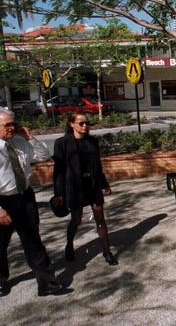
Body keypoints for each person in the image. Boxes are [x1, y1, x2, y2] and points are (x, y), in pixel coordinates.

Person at [0, 108, 67, 297]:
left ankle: (45, 282)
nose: (12, 128)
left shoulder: (20, 142)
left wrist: (30, 138)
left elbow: (42, 156)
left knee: (33, 241)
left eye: (14, 124)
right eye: (7, 125)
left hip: (25, 198)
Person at [53, 113, 117, 266]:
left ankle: (107, 251)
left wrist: (104, 183)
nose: (85, 126)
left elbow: (98, 165)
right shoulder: (62, 143)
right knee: (76, 220)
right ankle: (69, 245)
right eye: (81, 123)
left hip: (92, 184)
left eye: (87, 123)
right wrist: (59, 193)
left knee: (100, 218)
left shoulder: (92, 141)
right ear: (71, 124)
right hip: (75, 186)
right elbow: (59, 169)